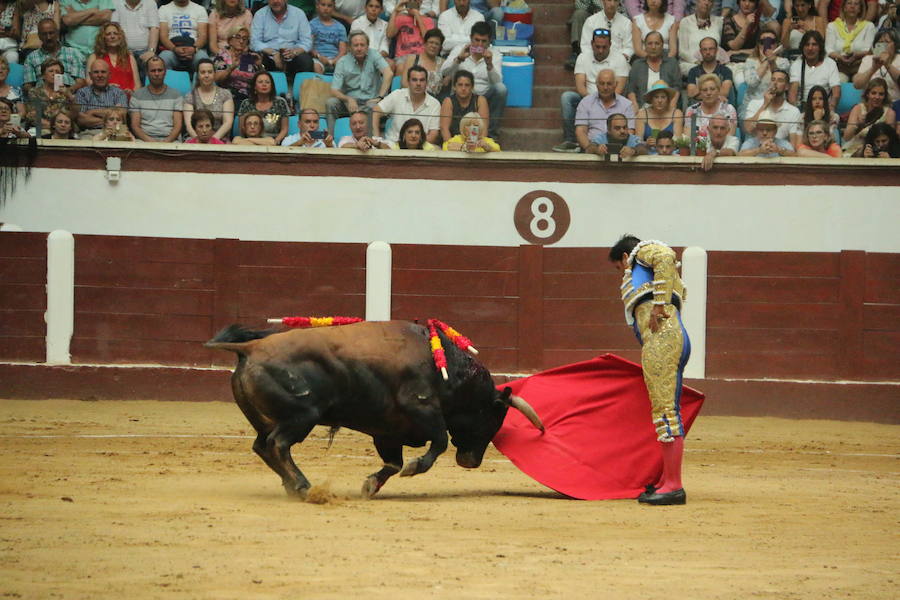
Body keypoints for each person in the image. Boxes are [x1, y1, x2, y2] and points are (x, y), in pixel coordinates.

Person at [608, 234, 690, 506]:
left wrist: (658, 305)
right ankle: (668, 481)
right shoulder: (645, 268)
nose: (622, 273)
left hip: (663, 340)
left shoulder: (641, 252)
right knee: (666, 409)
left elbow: (666, 257)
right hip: (669, 338)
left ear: (623, 258)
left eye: (620, 268)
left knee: (665, 411)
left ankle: (674, 486)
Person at [554, 27, 628, 152]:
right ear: (592, 44)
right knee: (567, 97)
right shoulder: (582, 57)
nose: (600, 50)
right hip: (586, 98)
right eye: (597, 46)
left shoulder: (620, 59)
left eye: (604, 47)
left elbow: (619, 89)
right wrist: (592, 101)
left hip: (611, 98)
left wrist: (603, 100)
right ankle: (570, 141)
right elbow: (580, 85)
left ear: (610, 44)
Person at [440, 22, 505, 140]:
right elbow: (444, 72)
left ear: (489, 41)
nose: (479, 44)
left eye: (484, 41)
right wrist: (459, 59)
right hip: (460, 95)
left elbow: (497, 82)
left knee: (501, 89)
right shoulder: (459, 49)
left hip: (484, 96)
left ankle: (491, 136)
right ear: (470, 38)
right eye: (476, 40)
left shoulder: (495, 54)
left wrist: (489, 65)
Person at [326, 30, 392, 133]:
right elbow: (334, 90)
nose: (359, 48)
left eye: (362, 45)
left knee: (373, 107)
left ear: (367, 46)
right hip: (351, 104)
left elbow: (389, 73)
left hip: (371, 101)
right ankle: (331, 138)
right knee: (331, 103)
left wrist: (379, 97)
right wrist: (348, 99)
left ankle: (371, 141)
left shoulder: (374, 55)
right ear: (350, 47)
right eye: (356, 45)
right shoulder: (342, 62)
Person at [373, 63, 439, 143]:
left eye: (422, 80)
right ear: (408, 82)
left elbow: (433, 135)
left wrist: (414, 146)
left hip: (421, 148)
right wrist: (377, 138)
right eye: (414, 80)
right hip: (393, 145)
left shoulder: (435, 104)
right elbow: (376, 111)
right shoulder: (397, 95)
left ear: (426, 83)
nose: (418, 84)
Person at [250, 0, 314, 78]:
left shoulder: (299, 14)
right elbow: (254, 41)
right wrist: (273, 53)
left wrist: (294, 52)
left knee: (306, 61)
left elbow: (307, 41)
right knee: (250, 57)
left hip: (292, 55)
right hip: (268, 54)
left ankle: (300, 88)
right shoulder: (260, 15)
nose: (276, 1)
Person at [575, 68, 635, 150]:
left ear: (616, 85)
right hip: (593, 150)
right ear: (596, 85)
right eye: (602, 83)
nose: (605, 87)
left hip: (620, 152)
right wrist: (591, 150)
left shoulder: (626, 105)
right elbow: (580, 131)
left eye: (609, 84)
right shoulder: (585, 102)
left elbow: (630, 131)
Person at [128, 55, 183, 142]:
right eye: (153, 71)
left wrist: (166, 142)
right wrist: (150, 142)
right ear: (147, 72)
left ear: (165, 72)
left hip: (170, 141)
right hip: (144, 141)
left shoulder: (176, 95)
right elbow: (135, 126)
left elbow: (178, 126)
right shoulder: (137, 96)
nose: (157, 74)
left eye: (160, 70)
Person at [743, 68, 801, 147]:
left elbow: (793, 145)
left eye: (780, 80)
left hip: (780, 151)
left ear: (787, 86)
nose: (775, 83)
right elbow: (748, 128)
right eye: (773, 80)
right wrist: (765, 105)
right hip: (755, 149)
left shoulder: (793, 111)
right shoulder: (754, 104)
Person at [22, 18, 85, 92]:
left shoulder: (72, 53)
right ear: (39, 36)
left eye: (51, 33)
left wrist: (68, 92)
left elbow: (80, 82)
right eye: (44, 34)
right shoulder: (31, 57)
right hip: (43, 97)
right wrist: (38, 94)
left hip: (68, 94)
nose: (48, 37)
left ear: (57, 33)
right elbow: (28, 85)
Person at [625, 31, 682, 112]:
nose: (653, 47)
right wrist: (634, 105)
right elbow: (631, 89)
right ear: (645, 46)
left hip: (666, 108)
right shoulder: (637, 65)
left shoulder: (672, 63)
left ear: (662, 45)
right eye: (650, 43)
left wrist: (671, 106)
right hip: (643, 109)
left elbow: (677, 87)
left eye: (657, 43)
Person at [739, 27, 789, 118]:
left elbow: (779, 85)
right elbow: (751, 83)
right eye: (763, 42)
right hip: (752, 107)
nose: (767, 45)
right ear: (758, 45)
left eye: (771, 42)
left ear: (776, 44)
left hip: (775, 105)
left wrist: (772, 62)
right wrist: (766, 61)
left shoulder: (783, 62)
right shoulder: (750, 62)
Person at [74, 57, 128, 137]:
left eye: (103, 72)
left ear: (109, 75)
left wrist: (92, 112)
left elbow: (122, 114)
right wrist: (111, 119)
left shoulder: (119, 92)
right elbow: (81, 120)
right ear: (90, 75)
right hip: (89, 133)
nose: (100, 75)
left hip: (116, 133)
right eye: (96, 72)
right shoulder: (82, 93)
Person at [841, 77, 896, 155]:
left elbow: (891, 141)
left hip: (878, 151)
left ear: (885, 96)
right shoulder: (858, 108)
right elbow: (847, 137)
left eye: (881, 94)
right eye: (873, 93)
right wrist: (858, 125)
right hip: (854, 149)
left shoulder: (890, 113)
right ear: (867, 94)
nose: (877, 97)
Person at [183, 57, 234, 141]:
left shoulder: (225, 94)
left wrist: (213, 140)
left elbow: (227, 123)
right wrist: (199, 141)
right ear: (198, 75)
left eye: (210, 72)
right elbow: (189, 125)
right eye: (203, 72)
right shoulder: (190, 96)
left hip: (220, 139)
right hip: (195, 139)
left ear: (214, 74)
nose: (206, 75)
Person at [788, 30, 839, 110]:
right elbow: (792, 93)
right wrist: (795, 113)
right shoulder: (797, 64)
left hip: (824, 107)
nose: (810, 48)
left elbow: (836, 93)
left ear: (820, 47)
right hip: (803, 108)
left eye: (814, 45)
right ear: (803, 47)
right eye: (807, 45)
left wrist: (830, 110)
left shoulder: (830, 64)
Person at [824, 0, 875, 80]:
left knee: (859, 81)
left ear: (860, 9)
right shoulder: (832, 26)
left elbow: (868, 49)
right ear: (844, 7)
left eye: (856, 4)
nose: (852, 6)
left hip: (860, 65)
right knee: (840, 80)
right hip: (839, 65)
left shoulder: (868, 26)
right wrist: (840, 57)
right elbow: (829, 50)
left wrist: (856, 55)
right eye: (849, 3)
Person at [213, 26, 262, 106]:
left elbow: (262, 80)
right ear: (230, 40)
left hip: (249, 97)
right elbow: (217, 79)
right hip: (227, 97)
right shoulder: (222, 56)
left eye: (245, 38)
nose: (241, 41)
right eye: (238, 37)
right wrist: (231, 68)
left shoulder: (251, 57)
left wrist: (259, 66)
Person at [85, 22, 140, 93]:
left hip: (128, 99)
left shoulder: (130, 57)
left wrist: (132, 93)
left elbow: (137, 85)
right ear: (103, 38)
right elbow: (88, 82)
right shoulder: (94, 57)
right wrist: (106, 87)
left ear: (120, 37)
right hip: (103, 99)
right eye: (108, 34)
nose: (112, 36)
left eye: (115, 33)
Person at [236, 70, 289, 144]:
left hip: (273, 143)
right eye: (260, 82)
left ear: (272, 86)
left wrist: (275, 142)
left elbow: (284, 129)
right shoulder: (246, 103)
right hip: (251, 143)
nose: (264, 84)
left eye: (267, 82)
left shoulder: (280, 102)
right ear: (254, 86)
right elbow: (242, 129)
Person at [110, 0, 159, 79]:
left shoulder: (150, 3)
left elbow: (154, 28)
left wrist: (151, 51)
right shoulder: (116, 2)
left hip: (145, 50)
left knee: (152, 64)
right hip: (123, 50)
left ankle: (147, 91)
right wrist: (122, 50)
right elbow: (114, 28)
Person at [25, 57, 76, 131]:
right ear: (43, 75)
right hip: (41, 129)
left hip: (63, 130)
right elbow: (33, 116)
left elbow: (74, 116)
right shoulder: (34, 92)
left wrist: (70, 96)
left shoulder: (67, 93)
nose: (54, 74)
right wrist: (53, 127)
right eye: (51, 71)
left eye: (57, 72)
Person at [158, 0, 209, 72]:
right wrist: (174, 49)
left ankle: (197, 83)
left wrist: (194, 49)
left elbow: (203, 36)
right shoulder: (164, 9)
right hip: (171, 49)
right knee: (163, 59)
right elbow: (163, 36)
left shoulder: (200, 9)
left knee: (203, 59)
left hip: (194, 48)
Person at [677, 0, 724, 76]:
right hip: (691, 63)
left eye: (710, 1)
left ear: (713, 4)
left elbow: (719, 47)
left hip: (713, 63)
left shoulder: (719, 22)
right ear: (697, 1)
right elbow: (682, 51)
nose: (706, 3)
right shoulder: (685, 22)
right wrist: (700, 62)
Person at [440, 69, 488, 143]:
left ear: (472, 87)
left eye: (467, 85)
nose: (463, 88)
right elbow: (444, 129)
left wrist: (478, 146)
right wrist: (451, 147)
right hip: (453, 144)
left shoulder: (480, 101)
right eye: (460, 85)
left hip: (476, 144)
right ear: (454, 87)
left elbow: (484, 129)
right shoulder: (448, 101)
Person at [853, 29, 900, 102]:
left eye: (887, 42)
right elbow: (857, 85)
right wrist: (873, 69)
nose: (883, 45)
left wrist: (888, 65)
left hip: (895, 103)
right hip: (871, 104)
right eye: (880, 42)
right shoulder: (868, 59)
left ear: (896, 45)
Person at [635, 80, 683, 151]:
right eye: (656, 97)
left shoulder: (676, 113)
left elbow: (679, 141)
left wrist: (661, 144)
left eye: (663, 97)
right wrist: (646, 143)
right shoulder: (642, 114)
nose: (660, 100)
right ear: (651, 99)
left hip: (671, 154)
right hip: (648, 154)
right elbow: (637, 142)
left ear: (668, 99)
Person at [398, 28, 445, 98]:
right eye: (431, 42)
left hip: (434, 102)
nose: (433, 46)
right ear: (425, 44)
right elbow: (404, 83)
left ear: (440, 47)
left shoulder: (443, 63)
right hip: (412, 98)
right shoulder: (412, 59)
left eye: (437, 44)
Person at [686, 36, 734, 103]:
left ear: (716, 50)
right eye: (704, 49)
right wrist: (715, 92)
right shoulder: (693, 71)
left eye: (711, 49)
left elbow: (724, 93)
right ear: (700, 51)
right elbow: (691, 93)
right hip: (698, 109)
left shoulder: (726, 71)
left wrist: (701, 91)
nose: (708, 52)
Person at [309, 0, 347, 74]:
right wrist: (319, 56)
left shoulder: (340, 27)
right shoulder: (312, 24)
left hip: (336, 58)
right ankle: (320, 84)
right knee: (316, 67)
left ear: (333, 7)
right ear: (317, 6)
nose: (326, 8)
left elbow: (343, 50)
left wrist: (335, 60)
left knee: (343, 67)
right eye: (323, 5)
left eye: (329, 6)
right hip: (318, 58)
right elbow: (310, 47)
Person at [351, 0, 391, 67]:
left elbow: (385, 49)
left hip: (378, 58)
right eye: (371, 6)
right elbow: (354, 47)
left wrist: (374, 59)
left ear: (381, 10)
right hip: (360, 57)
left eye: (377, 7)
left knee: (391, 63)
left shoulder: (385, 25)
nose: (373, 9)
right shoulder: (357, 23)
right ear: (365, 8)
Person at [0, 0, 20, 64]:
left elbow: (15, 33)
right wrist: (7, 32)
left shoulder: (14, 5)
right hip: (8, 37)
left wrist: (8, 33)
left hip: (9, 46)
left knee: (13, 57)